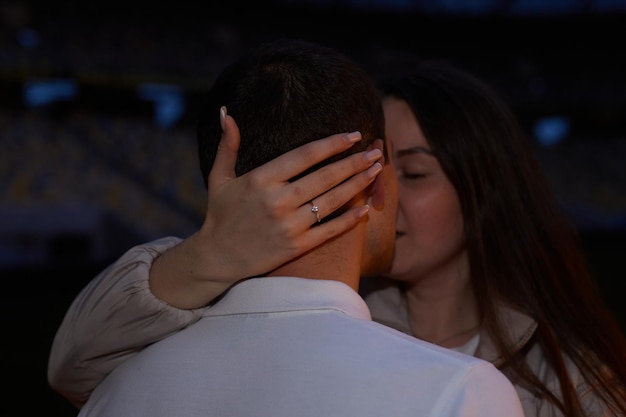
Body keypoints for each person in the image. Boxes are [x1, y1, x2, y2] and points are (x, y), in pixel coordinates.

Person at [47, 56, 626, 417]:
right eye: (353, 168)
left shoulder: (573, 382)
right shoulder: (295, 322)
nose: (379, 187)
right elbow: (75, 363)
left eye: (413, 172)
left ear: (485, 192)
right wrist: (209, 252)